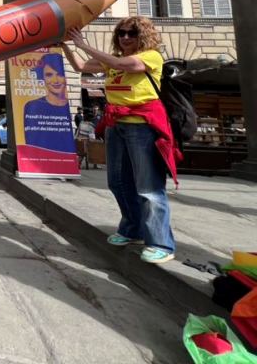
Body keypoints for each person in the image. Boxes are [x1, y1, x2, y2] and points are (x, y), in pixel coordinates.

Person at [62, 17, 178, 264]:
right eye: (122, 33)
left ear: (143, 36)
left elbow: (118, 63)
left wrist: (82, 43)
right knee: (117, 182)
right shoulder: (112, 61)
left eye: (132, 33)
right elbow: (81, 67)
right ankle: (132, 229)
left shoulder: (151, 57)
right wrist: (63, 46)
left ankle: (161, 243)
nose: (126, 37)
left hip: (141, 126)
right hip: (116, 125)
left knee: (148, 186)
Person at [22, 52, 75, 152]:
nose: (55, 80)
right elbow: (32, 143)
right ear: (42, 77)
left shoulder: (69, 107)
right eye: (49, 75)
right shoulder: (32, 106)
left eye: (60, 74)